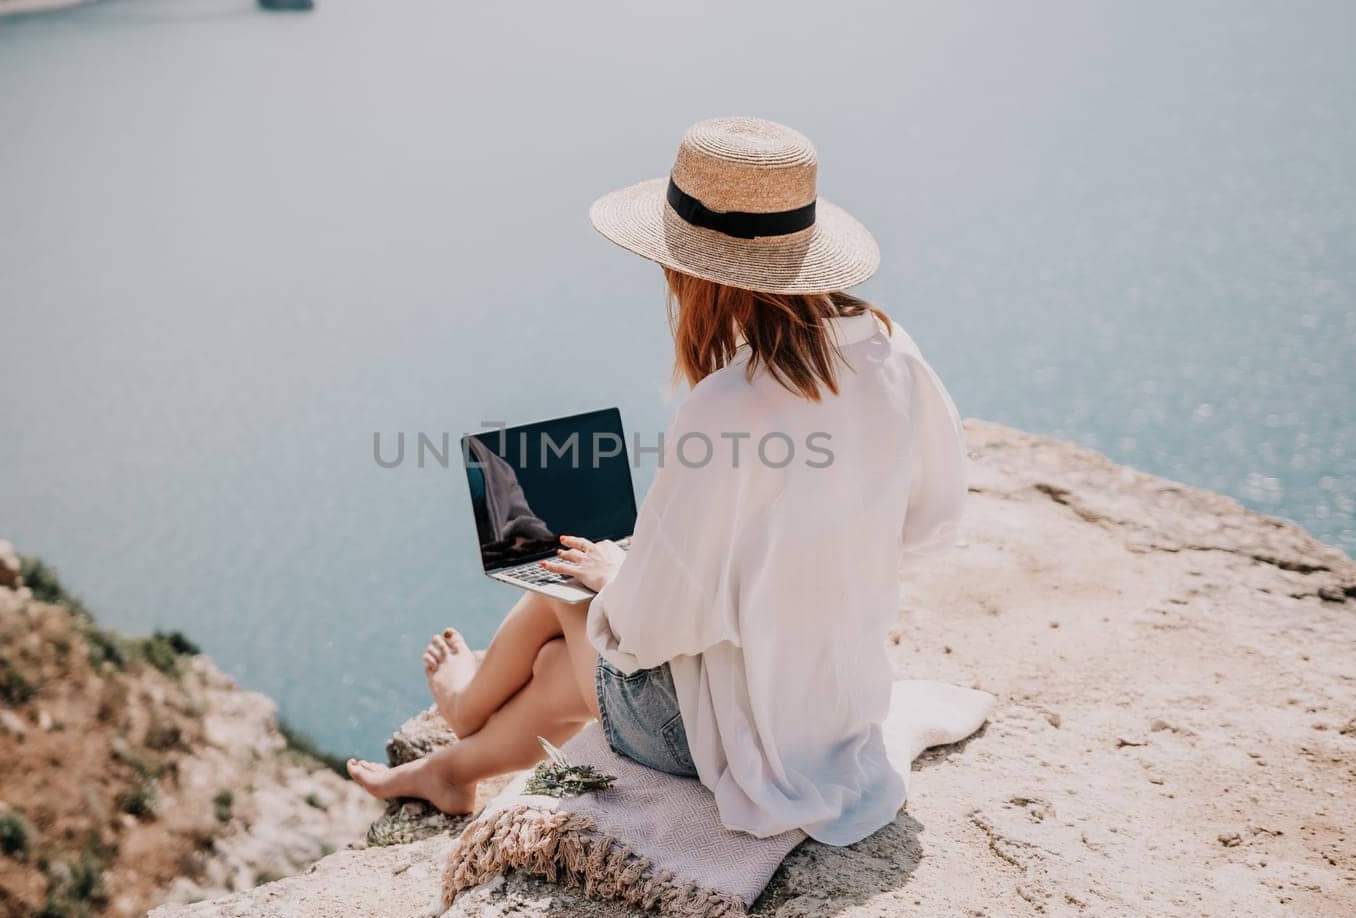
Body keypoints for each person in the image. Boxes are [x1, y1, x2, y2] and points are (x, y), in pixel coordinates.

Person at [349, 117, 966, 845]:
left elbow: (641, 634)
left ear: (694, 269)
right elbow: (930, 525)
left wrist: (621, 574)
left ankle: (463, 704)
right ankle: (455, 767)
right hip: (836, 704)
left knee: (571, 586)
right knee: (561, 656)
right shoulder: (894, 353)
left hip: (733, 743)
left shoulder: (728, 406)